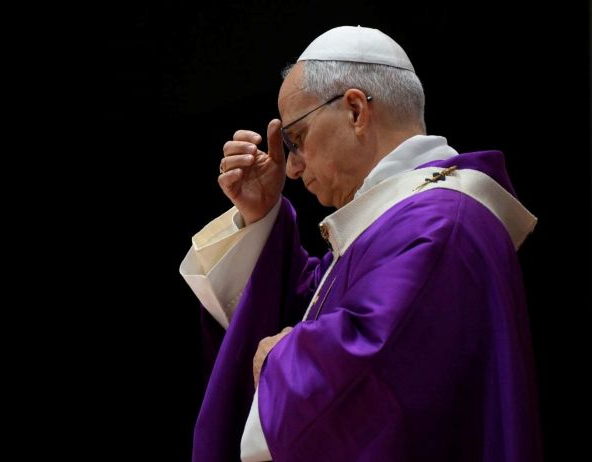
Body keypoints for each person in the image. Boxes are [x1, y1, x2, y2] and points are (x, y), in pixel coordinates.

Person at [179, 25, 542, 462]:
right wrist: (261, 215)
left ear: (355, 111)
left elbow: (373, 369)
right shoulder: (402, 221)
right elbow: (311, 305)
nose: (291, 167)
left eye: (296, 139)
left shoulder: (439, 226)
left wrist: (282, 360)